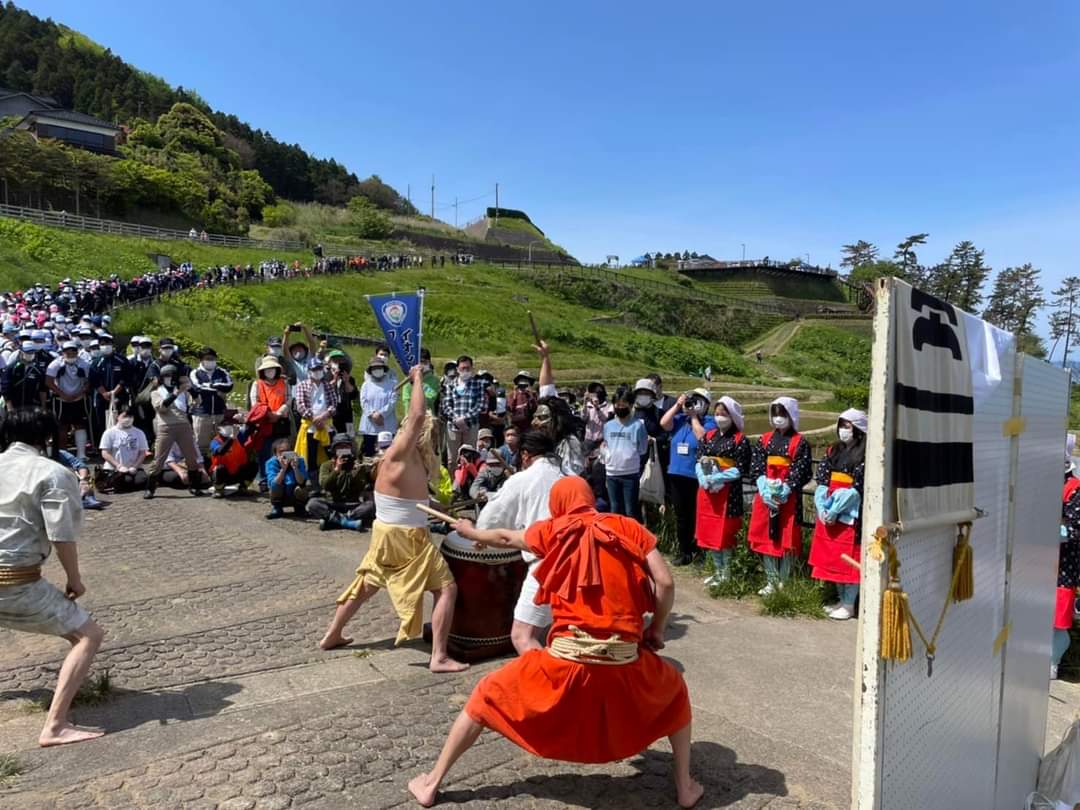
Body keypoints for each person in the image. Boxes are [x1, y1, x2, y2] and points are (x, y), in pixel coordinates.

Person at [408, 476, 700, 809]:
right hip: (624, 660)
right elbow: (664, 582)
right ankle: (685, 787)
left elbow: (504, 536)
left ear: (557, 505)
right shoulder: (628, 526)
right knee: (676, 694)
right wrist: (656, 629)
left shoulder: (553, 530)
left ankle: (431, 784)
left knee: (484, 696)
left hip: (564, 662)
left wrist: (471, 531)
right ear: (590, 500)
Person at [320, 365, 467, 675]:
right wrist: (417, 379)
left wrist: (444, 508)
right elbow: (415, 417)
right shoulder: (401, 450)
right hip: (407, 538)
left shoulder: (407, 458)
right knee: (446, 589)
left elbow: (415, 499)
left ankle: (332, 634)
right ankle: (439, 656)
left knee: (367, 584)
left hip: (388, 532)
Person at [0, 408, 107, 747]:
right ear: (47, 437)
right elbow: (62, 535)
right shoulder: (53, 472)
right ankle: (55, 726)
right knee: (88, 634)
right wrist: (74, 580)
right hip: (14, 579)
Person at [748, 396, 813, 594]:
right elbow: (757, 465)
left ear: (791, 416)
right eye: (775, 414)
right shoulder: (764, 439)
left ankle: (785, 580)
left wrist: (786, 489)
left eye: (782, 414)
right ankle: (771, 579)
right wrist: (763, 486)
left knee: (787, 538)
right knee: (766, 538)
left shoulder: (800, 442)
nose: (778, 418)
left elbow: (800, 470)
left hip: (788, 497)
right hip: (765, 495)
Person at [808, 409, 867, 620]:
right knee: (833, 558)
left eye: (848, 426)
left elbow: (858, 488)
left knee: (850, 560)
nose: (843, 430)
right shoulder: (833, 450)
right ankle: (841, 599)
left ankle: (850, 604)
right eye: (841, 425)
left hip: (851, 514)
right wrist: (823, 506)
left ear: (858, 430)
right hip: (830, 509)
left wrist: (836, 508)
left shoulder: (865, 453)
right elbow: (822, 478)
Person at [695, 396, 749, 586]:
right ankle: (718, 571)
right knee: (710, 532)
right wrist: (703, 478)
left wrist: (719, 477)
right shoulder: (708, 436)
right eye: (717, 414)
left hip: (729, 493)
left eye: (724, 414)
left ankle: (727, 572)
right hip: (708, 492)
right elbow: (699, 459)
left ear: (732, 416)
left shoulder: (740, 440)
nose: (719, 418)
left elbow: (742, 468)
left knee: (726, 534)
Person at [661, 388, 716, 566]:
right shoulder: (679, 420)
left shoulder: (709, 422)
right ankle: (684, 551)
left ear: (707, 405)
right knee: (681, 516)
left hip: (696, 477)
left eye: (698, 401)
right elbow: (664, 423)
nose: (693, 404)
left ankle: (700, 551)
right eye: (691, 400)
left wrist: (693, 417)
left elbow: (702, 437)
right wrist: (678, 405)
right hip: (676, 474)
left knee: (698, 515)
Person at [143, 365, 204, 499]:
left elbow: (198, 401)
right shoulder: (156, 392)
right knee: (159, 459)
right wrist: (176, 393)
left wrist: (190, 389)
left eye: (171, 376)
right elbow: (162, 408)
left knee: (191, 457)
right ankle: (150, 488)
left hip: (184, 426)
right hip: (166, 427)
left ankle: (195, 486)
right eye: (166, 376)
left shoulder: (183, 392)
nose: (169, 379)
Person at [532, 342, 585, 476]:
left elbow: (572, 476)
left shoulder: (570, 443)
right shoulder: (540, 440)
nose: (536, 423)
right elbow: (546, 387)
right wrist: (545, 358)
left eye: (542, 418)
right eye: (535, 418)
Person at [308, 433, 375, 531]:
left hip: (352, 504)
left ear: (351, 448)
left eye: (346, 446)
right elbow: (325, 485)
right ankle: (347, 521)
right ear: (334, 449)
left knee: (371, 505)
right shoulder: (326, 465)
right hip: (332, 502)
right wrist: (336, 470)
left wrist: (355, 473)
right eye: (340, 446)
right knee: (312, 504)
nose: (343, 448)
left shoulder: (358, 465)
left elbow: (361, 487)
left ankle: (334, 521)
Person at [1055, 434, 1080, 680]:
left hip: (1064, 564)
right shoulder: (1045, 484)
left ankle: (1053, 663)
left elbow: (1075, 528)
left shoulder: (1073, 489)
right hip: (1038, 561)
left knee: (1058, 619)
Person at [602, 389, 648, 520]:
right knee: (615, 509)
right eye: (617, 404)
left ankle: (633, 537)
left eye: (624, 404)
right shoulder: (608, 426)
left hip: (630, 473)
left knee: (630, 509)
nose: (620, 407)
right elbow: (606, 446)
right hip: (611, 473)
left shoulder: (638, 426)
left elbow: (643, 449)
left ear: (631, 405)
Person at [293, 356, 339, 485]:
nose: (317, 371)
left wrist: (323, 417)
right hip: (310, 426)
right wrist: (314, 419)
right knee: (310, 454)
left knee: (330, 452)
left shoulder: (328, 386)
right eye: (314, 369)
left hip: (326, 424)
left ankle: (332, 479)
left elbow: (333, 404)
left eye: (319, 368)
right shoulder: (302, 386)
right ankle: (313, 482)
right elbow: (300, 405)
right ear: (309, 371)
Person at [440, 355, 487, 468]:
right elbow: (446, 405)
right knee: (452, 460)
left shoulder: (478, 384)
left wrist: (464, 419)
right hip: (453, 427)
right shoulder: (450, 385)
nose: (465, 370)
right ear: (457, 369)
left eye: (468, 368)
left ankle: (468, 483)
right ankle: (453, 484)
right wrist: (456, 419)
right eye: (462, 368)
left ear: (472, 368)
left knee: (470, 457)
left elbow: (480, 405)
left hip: (471, 426)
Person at [46, 341, 91, 459]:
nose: (70, 354)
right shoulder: (55, 364)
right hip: (61, 400)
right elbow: (49, 381)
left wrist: (80, 393)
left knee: (80, 425)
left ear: (77, 352)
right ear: (62, 352)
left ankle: (81, 454)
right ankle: (63, 453)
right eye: (67, 352)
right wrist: (62, 394)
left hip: (79, 398)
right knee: (62, 426)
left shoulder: (84, 364)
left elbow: (88, 382)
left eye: (73, 351)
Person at [252, 355, 291, 487]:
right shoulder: (257, 384)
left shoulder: (284, 383)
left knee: (283, 451)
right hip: (264, 422)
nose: (270, 371)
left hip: (281, 422)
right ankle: (264, 480)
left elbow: (288, 400)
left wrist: (278, 414)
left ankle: (284, 479)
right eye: (267, 369)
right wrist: (268, 414)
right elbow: (255, 403)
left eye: (273, 368)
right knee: (264, 452)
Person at [189, 347, 234, 458]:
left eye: (213, 358)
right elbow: (198, 387)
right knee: (201, 445)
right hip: (202, 414)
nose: (211, 361)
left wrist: (211, 385)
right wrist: (218, 389)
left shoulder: (222, 372)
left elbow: (229, 386)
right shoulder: (195, 373)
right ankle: (203, 470)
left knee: (221, 442)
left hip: (219, 413)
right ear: (201, 360)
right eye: (208, 358)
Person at [97, 406, 150, 493]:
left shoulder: (139, 432)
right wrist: (118, 466)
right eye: (125, 416)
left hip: (134, 468)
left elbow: (142, 452)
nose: (128, 419)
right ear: (118, 416)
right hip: (115, 469)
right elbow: (105, 453)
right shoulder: (109, 432)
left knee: (143, 481)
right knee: (126, 481)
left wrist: (135, 466)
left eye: (130, 417)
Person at [87, 333, 129, 442]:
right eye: (102, 344)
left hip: (120, 396)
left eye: (108, 343)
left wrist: (114, 392)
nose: (105, 346)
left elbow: (126, 378)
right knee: (102, 422)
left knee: (122, 420)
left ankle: (123, 443)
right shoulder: (96, 363)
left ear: (112, 344)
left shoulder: (122, 360)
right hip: (102, 397)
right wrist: (104, 393)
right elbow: (94, 380)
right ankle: (105, 446)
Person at [359, 355, 399, 457]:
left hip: (387, 423)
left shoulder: (392, 384)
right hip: (370, 425)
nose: (377, 370)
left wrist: (381, 414)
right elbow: (363, 402)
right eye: (374, 368)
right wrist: (373, 414)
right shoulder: (366, 385)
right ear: (371, 370)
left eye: (379, 368)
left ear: (383, 369)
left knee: (388, 454)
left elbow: (393, 401)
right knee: (369, 453)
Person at [208, 420, 258, 498]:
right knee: (220, 468)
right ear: (219, 429)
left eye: (231, 427)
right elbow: (221, 451)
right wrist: (231, 438)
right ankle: (219, 490)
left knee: (253, 465)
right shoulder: (215, 441)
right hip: (221, 475)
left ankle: (243, 488)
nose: (229, 429)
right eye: (226, 427)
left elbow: (251, 428)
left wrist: (245, 420)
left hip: (236, 472)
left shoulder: (238, 437)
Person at [264, 438, 310, 519]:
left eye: (287, 451)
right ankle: (277, 508)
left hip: (294, 493)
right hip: (280, 494)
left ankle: (300, 508)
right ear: (275, 454)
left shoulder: (300, 461)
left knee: (302, 487)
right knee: (275, 485)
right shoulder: (271, 463)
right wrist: (283, 469)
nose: (285, 454)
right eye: (281, 452)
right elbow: (273, 483)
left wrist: (295, 468)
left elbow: (302, 481)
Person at [328, 351, 359, 437]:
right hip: (332, 414)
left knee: (349, 436)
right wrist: (334, 380)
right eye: (335, 360)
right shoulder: (326, 377)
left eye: (340, 360)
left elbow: (353, 394)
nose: (337, 363)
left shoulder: (349, 378)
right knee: (332, 437)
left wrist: (346, 381)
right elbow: (325, 392)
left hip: (346, 414)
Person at [583, 382, 614, 455]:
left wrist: (597, 408)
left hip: (601, 441)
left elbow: (605, 420)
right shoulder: (588, 405)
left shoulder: (609, 406)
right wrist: (584, 403)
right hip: (588, 440)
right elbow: (583, 419)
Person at [507, 370, 538, 435]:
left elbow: (535, 409)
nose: (523, 384)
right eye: (521, 381)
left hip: (529, 427)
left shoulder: (533, 394)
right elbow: (510, 409)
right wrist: (515, 396)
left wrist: (530, 394)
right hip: (516, 426)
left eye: (526, 381)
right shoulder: (512, 394)